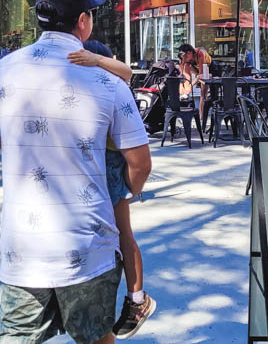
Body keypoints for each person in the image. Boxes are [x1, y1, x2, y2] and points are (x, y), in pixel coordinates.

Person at [0, 0, 152, 344]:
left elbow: (5, 142)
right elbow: (141, 165)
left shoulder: (3, 70)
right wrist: (122, 187)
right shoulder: (109, 83)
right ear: (82, 22)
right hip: (87, 244)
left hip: (22, 246)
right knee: (97, 338)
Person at [69, 39, 156, 339]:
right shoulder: (91, 87)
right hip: (98, 166)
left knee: (123, 235)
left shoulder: (112, 84)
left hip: (111, 167)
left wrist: (95, 59)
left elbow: (127, 71)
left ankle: (138, 299)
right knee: (115, 238)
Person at [176, 43, 211, 121]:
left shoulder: (200, 54)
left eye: (185, 57)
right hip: (196, 69)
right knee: (186, 68)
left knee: (203, 93)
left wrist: (191, 85)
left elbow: (201, 75)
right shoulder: (185, 58)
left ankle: (202, 117)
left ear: (190, 53)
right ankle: (184, 95)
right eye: (182, 57)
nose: (184, 59)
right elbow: (182, 71)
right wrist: (183, 85)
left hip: (207, 68)